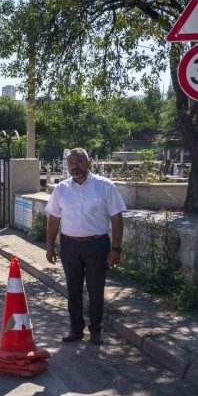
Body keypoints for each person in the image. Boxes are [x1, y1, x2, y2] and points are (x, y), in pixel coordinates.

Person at [44, 148, 126, 345]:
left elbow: (116, 218)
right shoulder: (61, 189)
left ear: (89, 163)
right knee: (73, 289)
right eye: (72, 163)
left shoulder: (105, 186)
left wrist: (116, 248)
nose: (76, 167)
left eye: (80, 162)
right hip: (70, 245)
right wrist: (49, 247)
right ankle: (76, 329)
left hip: (97, 245)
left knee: (96, 289)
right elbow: (53, 220)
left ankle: (96, 330)